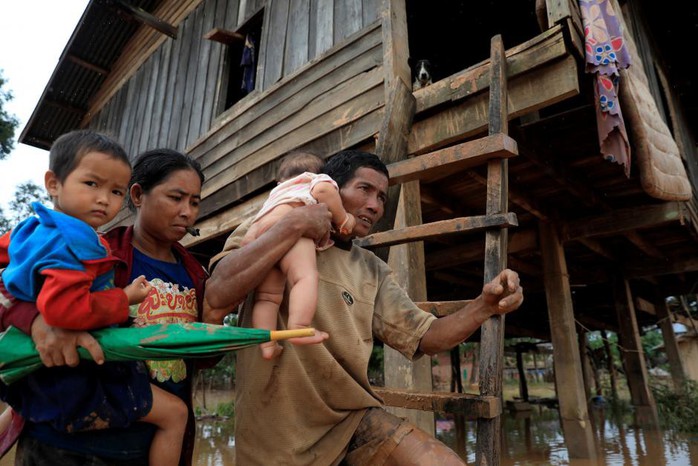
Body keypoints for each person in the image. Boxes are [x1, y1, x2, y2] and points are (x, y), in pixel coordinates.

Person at [204, 149, 524, 465]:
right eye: (364, 189)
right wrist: (294, 224)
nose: (374, 205)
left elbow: (429, 336)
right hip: (276, 437)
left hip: (352, 421)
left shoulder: (372, 270)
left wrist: (484, 306)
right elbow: (217, 295)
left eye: (382, 197)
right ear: (330, 186)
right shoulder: (271, 220)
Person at [0, 146, 208, 466]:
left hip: (147, 447)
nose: (187, 212)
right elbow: (8, 287)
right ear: (138, 195)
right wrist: (36, 321)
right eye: (176, 198)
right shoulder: (93, 250)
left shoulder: (195, 274)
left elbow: (201, 358)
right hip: (65, 445)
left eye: (194, 202)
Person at [242, 151, 354, 359]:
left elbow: (251, 232)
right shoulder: (315, 180)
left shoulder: (275, 195)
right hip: (292, 231)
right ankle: (299, 325)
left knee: (267, 297)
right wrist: (344, 218)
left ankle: (267, 345)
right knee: (305, 277)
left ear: (279, 181)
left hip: (261, 236)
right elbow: (323, 190)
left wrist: (249, 246)